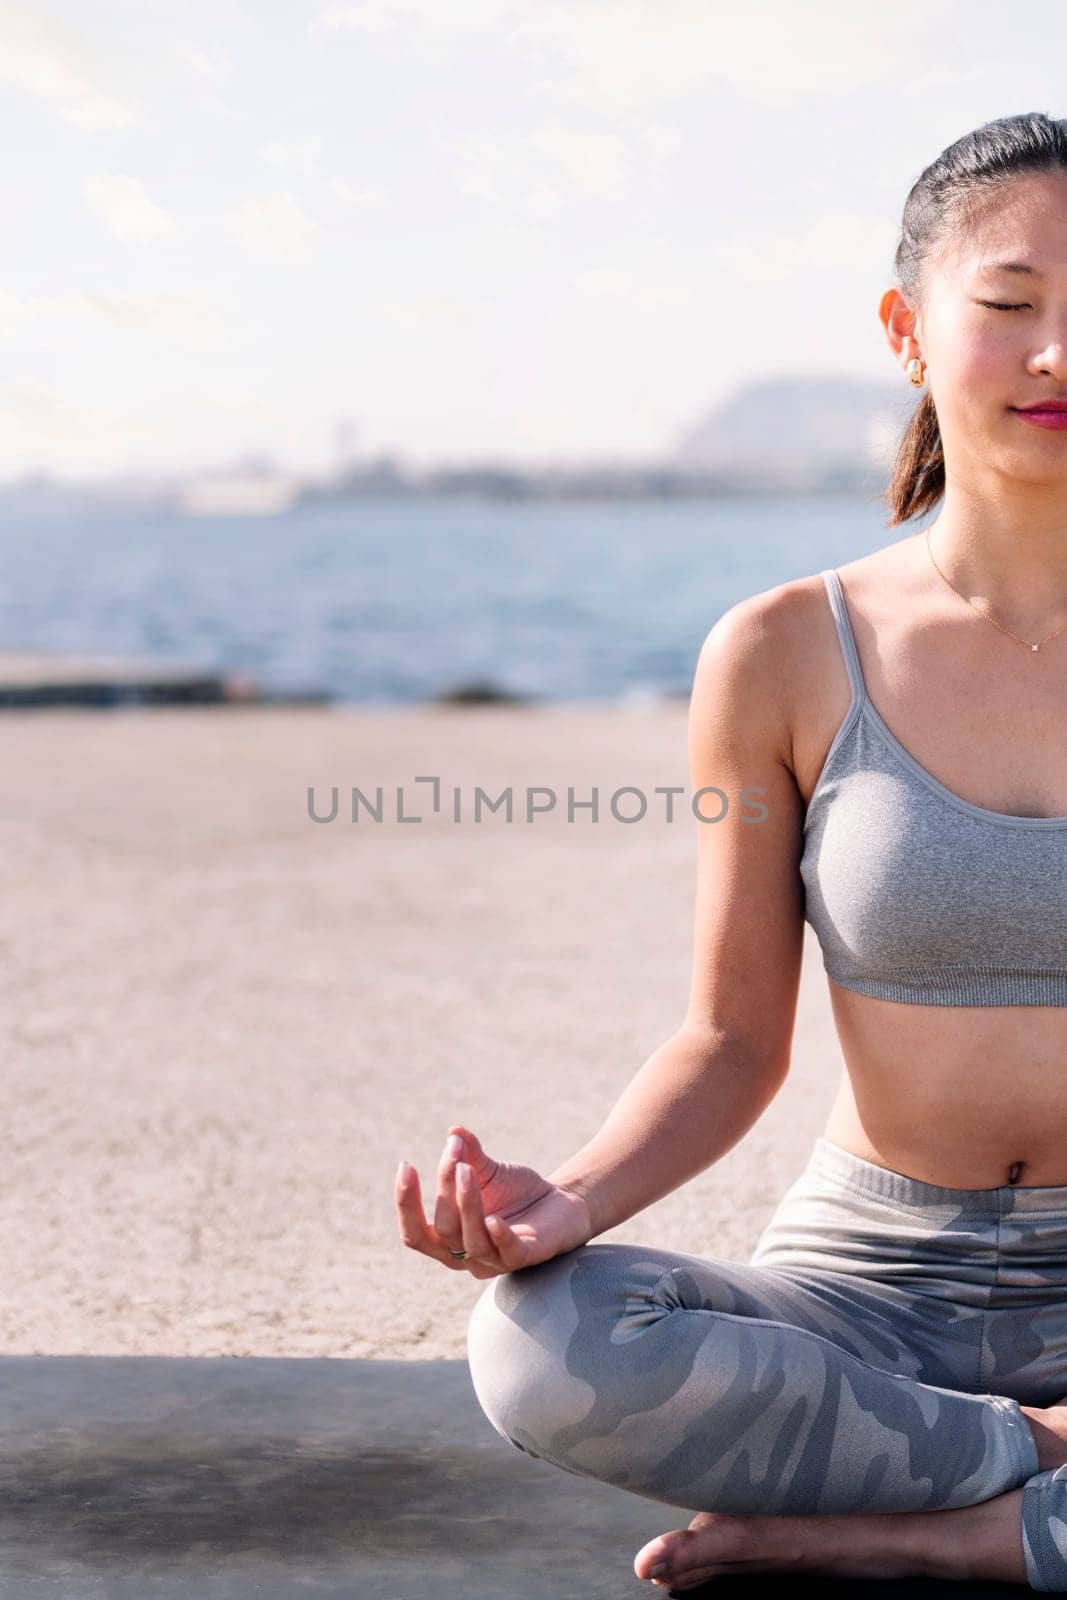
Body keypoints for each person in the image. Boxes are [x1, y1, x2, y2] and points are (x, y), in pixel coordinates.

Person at [394, 110, 1067, 1592]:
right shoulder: (782, 653)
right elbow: (725, 1036)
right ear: (908, 328)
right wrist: (564, 1207)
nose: (1059, 357)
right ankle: (1036, 1475)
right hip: (869, 1296)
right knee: (547, 1349)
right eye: (1011, 307)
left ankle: (925, 1537)